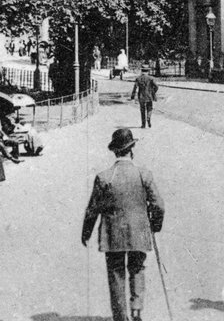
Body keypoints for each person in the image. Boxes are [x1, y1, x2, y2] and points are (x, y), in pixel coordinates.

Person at [83, 128, 165, 321]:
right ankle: (136, 309)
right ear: (132, 149)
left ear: (115, 151)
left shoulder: (104, 177)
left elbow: (92, 209)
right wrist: (155, 224)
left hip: (113, 234)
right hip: (139, 231)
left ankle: (120, 317)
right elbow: (159, 205)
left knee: (116, 273)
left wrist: (86, 233)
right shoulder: (143, 174)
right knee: (137, 268)